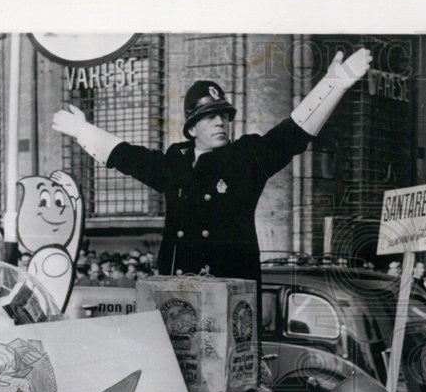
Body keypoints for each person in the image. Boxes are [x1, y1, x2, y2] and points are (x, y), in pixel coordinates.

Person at [51, 48, 372, 306]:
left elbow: (291, 135)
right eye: (209, 116)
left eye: (224, 115)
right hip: (176, 296)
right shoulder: (174, 164)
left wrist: (333, 86)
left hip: (229, 300)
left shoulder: (245, 158)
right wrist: (82, 130)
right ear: (191, 128)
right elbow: (127, 156)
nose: (220, 122)